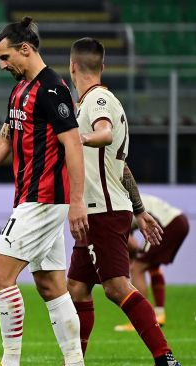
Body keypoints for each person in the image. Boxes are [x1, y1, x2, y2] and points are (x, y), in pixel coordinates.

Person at [0, 17, 87, 366]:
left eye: (5, 56)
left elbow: (72, 144)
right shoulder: (20, 89)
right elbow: (5, 139)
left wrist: (76, 202)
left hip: (44, 199)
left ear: (25, 49)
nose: (1, 65)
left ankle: (9, 361)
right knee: (50, 285)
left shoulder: (52, 89)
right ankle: (75, 362)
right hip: (33, 197)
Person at [66, 37, 181, 366]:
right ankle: (75, 361)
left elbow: (104, 134)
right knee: (76, 288)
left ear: (72, 67)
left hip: (101, 211)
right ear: (102, 66)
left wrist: (79, 137)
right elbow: (122, 166)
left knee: (117, 287)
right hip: (101, 210)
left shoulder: (97, 100)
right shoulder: (96, 102)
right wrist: (141, 210)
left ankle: (164, 356)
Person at [114, 194, 189, 332]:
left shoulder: (118, 208)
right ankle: (159, 315)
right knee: (152, 265)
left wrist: (133, 258)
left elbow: (131, 243)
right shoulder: (130, 197)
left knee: (137, 268)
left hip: (168, 224)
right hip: (180, 221)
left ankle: (140, 320)